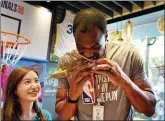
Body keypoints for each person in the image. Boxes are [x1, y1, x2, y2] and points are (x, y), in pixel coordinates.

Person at [55, 8, 156, 120]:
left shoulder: (129, 55)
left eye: (95, 46)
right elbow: (62, 116)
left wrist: (125, 82)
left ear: (106, 36)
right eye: (81, 48)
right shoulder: (66, 62)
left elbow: (149, 109)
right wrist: (73, 95)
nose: (88, 54)